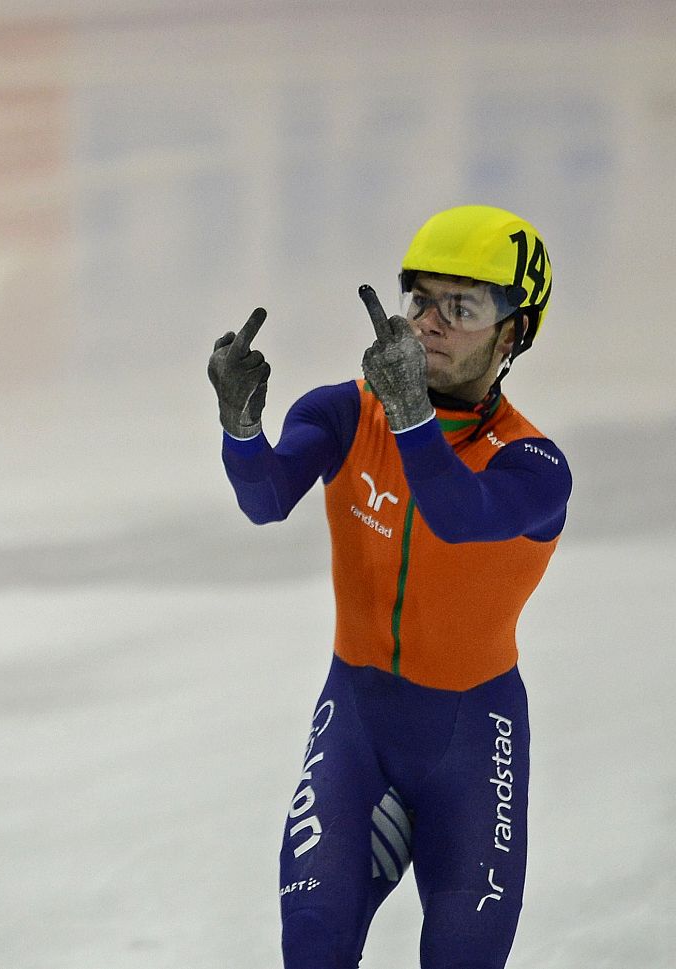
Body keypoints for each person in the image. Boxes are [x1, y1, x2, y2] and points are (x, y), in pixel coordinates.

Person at [207, 205, 571, 968]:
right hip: (357, 725)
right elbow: (265, 498)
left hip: (473, 740)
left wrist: (409, 416)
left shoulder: (533, 465)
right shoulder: (343, 412)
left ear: (512, 334)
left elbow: (457, 514)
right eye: (420, 300)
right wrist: (239, 427)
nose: (429, 323)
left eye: (462, 308)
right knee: (314, 944)